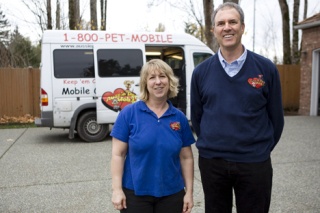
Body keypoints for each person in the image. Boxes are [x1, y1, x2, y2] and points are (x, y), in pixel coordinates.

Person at [190, 2, 284, 213]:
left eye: (233, 22)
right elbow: (197, 116)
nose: (227, 27)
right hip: (212, 163)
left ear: (242, 27)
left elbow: (276, 118)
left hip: (254, 162)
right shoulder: (201, 72)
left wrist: (259, 148)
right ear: (214, 30)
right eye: (221, 23)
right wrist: (213, 143)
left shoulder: (265, 68)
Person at [111, 59, 195, 213]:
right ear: (145, 84)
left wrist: (189, 193)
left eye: (163, 76)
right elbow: (118, 154)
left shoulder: (179, 117)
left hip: (172, 194)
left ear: (170, 81)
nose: (158, 82)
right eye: (152, 78)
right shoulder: (129, 114)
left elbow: (186, 158)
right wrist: (117, 190)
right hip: (135, 194)